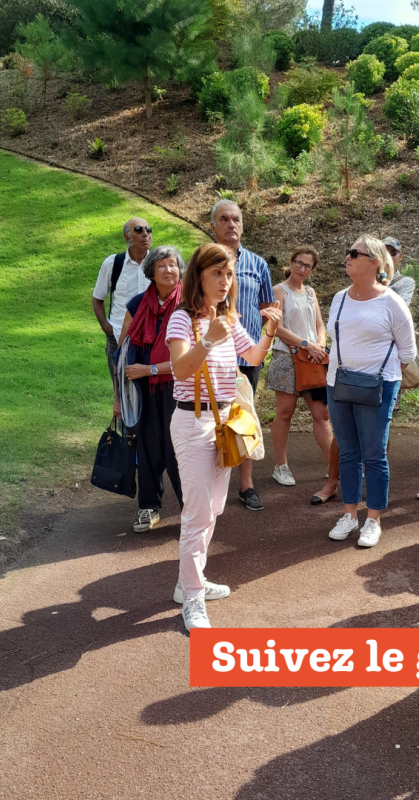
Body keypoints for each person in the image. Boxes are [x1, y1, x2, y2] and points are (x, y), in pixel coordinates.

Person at [166, 243, 282, 630]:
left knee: (213, 510)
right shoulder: (182, 319)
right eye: (217, 272)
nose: (224, 280)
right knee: (197, 514)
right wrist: (209, 339)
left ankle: (188, 584)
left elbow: (252, 358)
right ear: (198, 275)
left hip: (224, 423)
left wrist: (269, 333)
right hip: (192, 422)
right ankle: (193, 600)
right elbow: (181, 371)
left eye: (229, 274)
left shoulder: (229, 320)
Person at [326, 235, 417, 548]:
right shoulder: (339, 298)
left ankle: (374, 519)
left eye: (355, 252)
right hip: (337, 384)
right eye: (348, 251)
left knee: (374, 454)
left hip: (377, 386)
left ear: (374, 261)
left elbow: (408, 353)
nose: (348, 256)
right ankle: (349, 514)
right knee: (348, 451)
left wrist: (378, 377)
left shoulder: (392, 302)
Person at [112, 246, 185, 533]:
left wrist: (150, 369)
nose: (169, 270)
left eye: (173, 265)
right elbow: (121, 356)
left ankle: (190, 510)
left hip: (179, 390)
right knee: (148, 447)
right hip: (141, 392)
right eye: (162, 266)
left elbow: (190, 359)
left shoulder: (189, 305)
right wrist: (118, 398)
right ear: (151, 272)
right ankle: (149, 506)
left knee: (178, 450)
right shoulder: (136, 305)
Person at [210, 200, 275, 511]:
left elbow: (267, 310)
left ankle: (245, 484)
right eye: (224, 219)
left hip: (246, 358)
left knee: (245, 418)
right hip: (209, 356)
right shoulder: (201, 262)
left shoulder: (258, 265)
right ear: (213, 226)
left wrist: (261, 344)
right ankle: (210, 484)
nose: (231, 225)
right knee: (211, 419)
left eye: (236, 219)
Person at [267, 247, 335, 496]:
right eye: (298, 262)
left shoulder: (311, 292)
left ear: (313, 269)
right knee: (284, 413)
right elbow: (277, 328)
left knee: (322, 415)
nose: (302, 268)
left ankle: (334, 466)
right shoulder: (279, 290)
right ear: (291, 262)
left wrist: (318, 345)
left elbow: (320, 324)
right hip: (287, 357)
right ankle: (281, 465)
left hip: (313, 359)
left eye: (307, 265)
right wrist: (306, 344)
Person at [92, 218, 152, 388]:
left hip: (150, 339)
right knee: (121, 392)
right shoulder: (113, 263)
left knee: (147, 393)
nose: (145, 234)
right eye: (139, 230)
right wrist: (107, 327)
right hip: (118, 337)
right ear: (127, 237)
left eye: (148, 230)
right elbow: (98, 298)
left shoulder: (158, 263)